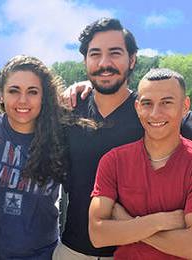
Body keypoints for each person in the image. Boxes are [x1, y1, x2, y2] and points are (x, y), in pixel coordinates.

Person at [53, 18, 192, 260]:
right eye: (95, 54)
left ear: (132, 59)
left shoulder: (152, 111)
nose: (104, 63)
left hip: (143, 253)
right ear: (85, 60)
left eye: (115, 53)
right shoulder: (70, 109)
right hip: (72, 249)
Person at [89, 68, 192, 259]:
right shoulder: (113, 161)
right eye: (147, 103)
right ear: (137, 107)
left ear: (185, 106)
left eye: (166, 103)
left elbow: (190, 247)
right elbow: (98, 235)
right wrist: (159, 221)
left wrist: (127, 223)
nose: (155, 113)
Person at [0, 55, 69, 260]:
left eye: (32, 92)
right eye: (13, 91)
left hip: (43, 253)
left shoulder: (61, 135)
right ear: (1, 94)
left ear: (43, 96)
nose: (22, 100)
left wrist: (84, 87)